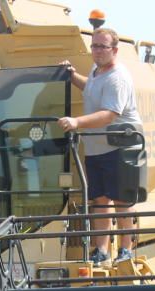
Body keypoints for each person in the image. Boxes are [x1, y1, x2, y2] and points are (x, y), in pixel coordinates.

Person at [57, 27, 143, 264]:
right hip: (97, 146)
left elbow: (109, 114)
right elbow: (93, 89)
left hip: (120, 145)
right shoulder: (97, 71)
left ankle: (126, 250)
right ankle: (101, 250)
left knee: (122, 200)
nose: (97, 51)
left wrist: (77, 122)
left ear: (114, 50)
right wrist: (73, 76)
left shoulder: (118, 78)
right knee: (100, 200)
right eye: (94, 46)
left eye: (102, 47)